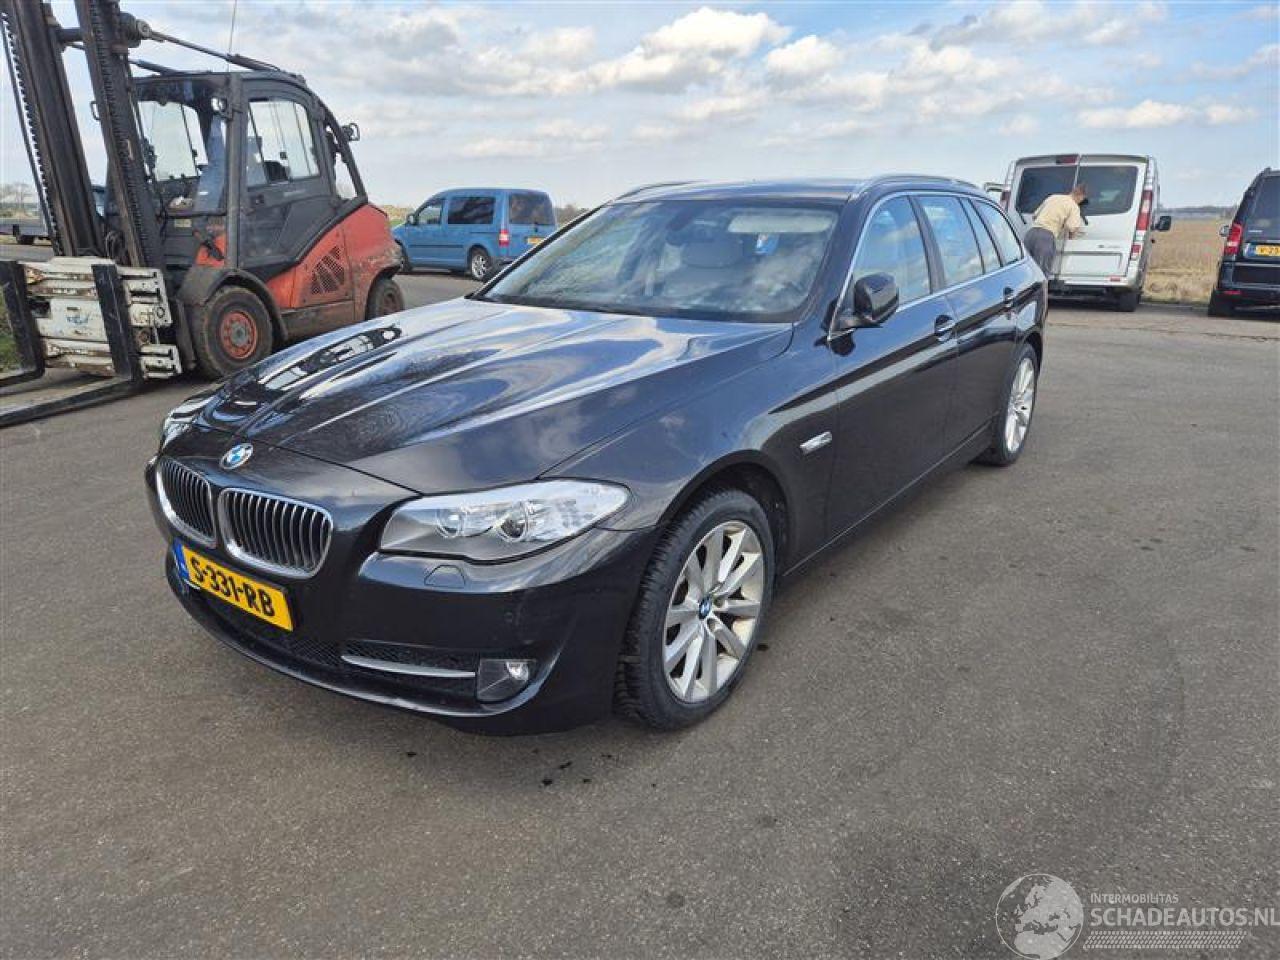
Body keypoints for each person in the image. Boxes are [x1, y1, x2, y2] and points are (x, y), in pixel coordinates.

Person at [1024, 184, 1087, 277]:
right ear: (1081, 196)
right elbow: (1072, 227)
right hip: (1046, 237)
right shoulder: (1073, 206)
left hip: (1031, 234)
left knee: (1025, 268)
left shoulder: (1053, 197)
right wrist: (1071, 237)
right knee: (1041, 273)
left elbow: (1035, 215)